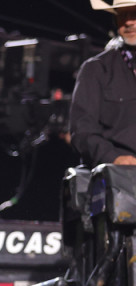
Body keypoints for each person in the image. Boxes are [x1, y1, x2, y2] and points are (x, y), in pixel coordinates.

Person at [69, 0, 136, 168]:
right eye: (122, 15)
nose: (128, 22)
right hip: (120, 178)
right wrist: (113, 157)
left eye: (134, 14)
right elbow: (82, 131)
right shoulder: (96, 69)